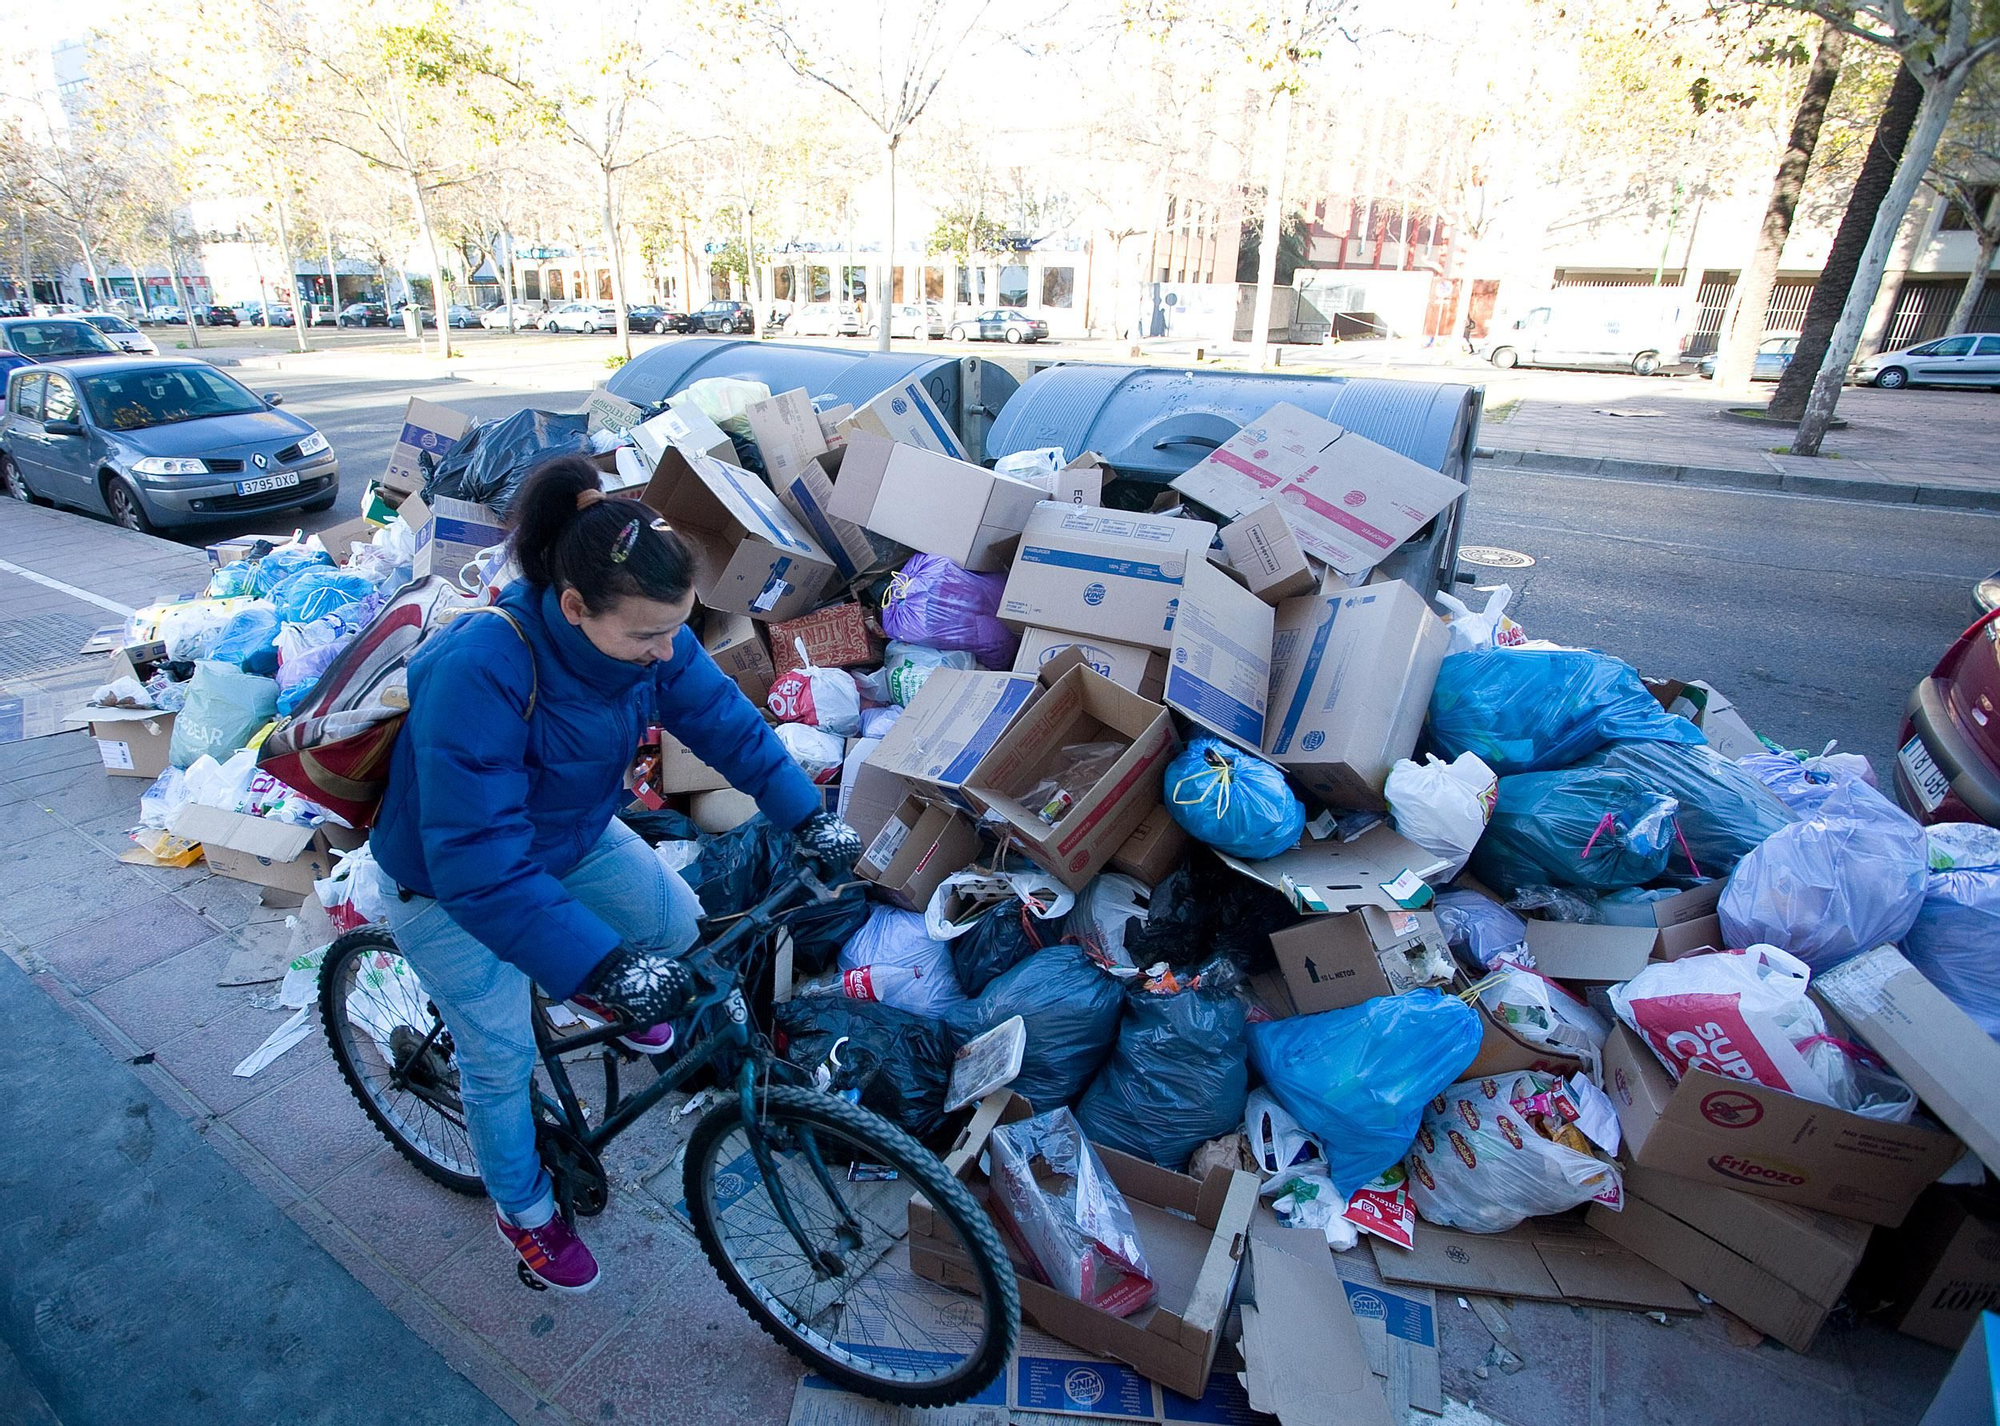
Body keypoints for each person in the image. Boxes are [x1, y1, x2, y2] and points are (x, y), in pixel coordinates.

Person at [370, 456, 863, 1294]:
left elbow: (723, 722)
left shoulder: (649, 639)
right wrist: (602, 966)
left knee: (673, 922)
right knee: (499, 1059)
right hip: (446, 885)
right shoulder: (483, 666)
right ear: (573, 607)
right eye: (647, 638)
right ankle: (523, 1213)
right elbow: (477, 862)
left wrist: (807, 815)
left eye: (676, 631)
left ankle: (611, 995)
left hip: (569, 836)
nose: (666, 653)